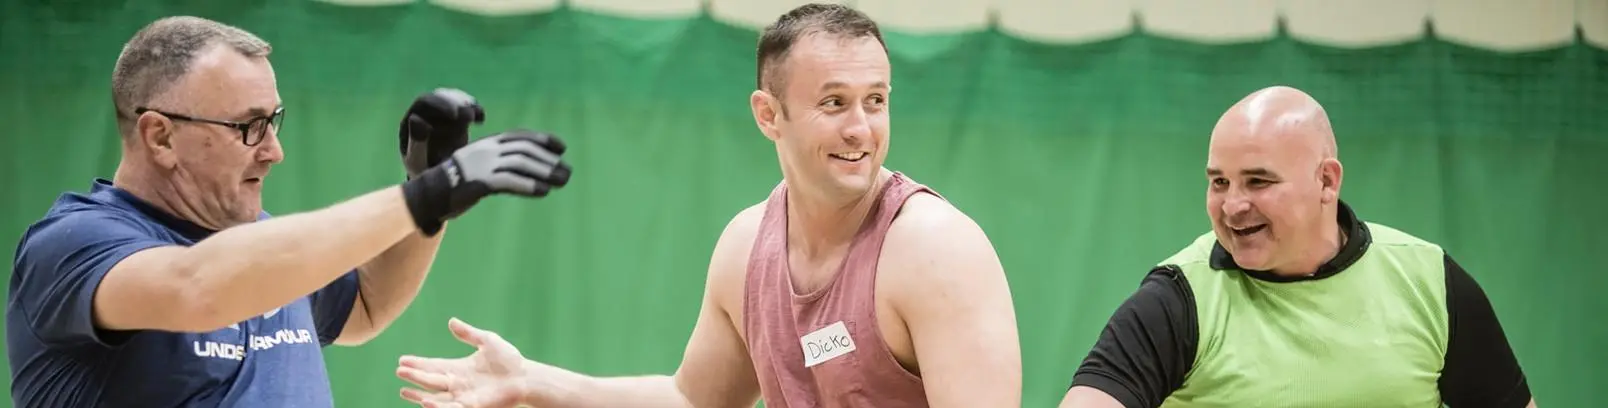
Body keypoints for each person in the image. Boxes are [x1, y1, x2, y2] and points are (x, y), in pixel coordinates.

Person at [392, 4, 1022, 408]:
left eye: (876, 100)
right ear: (768, 115)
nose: (861, 127)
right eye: (834, 103)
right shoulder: (747, 247)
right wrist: (531, 380)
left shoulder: (937, 251)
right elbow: (691, 399)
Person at [6, 16, 573, 407]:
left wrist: (427, 195)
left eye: (273, 122)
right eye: (247, 126)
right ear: (159, 136)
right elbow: (198, 287)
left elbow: (367, 307)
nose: (273, 151)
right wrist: (423, 197)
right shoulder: (77, 243)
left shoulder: (260, 243)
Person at [1056, 86, 1536, 408]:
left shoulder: (1429, 280)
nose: (1233, 205)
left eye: (1258, 181)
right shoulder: (1179, 298)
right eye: (1219, 182)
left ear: (1326, 180)